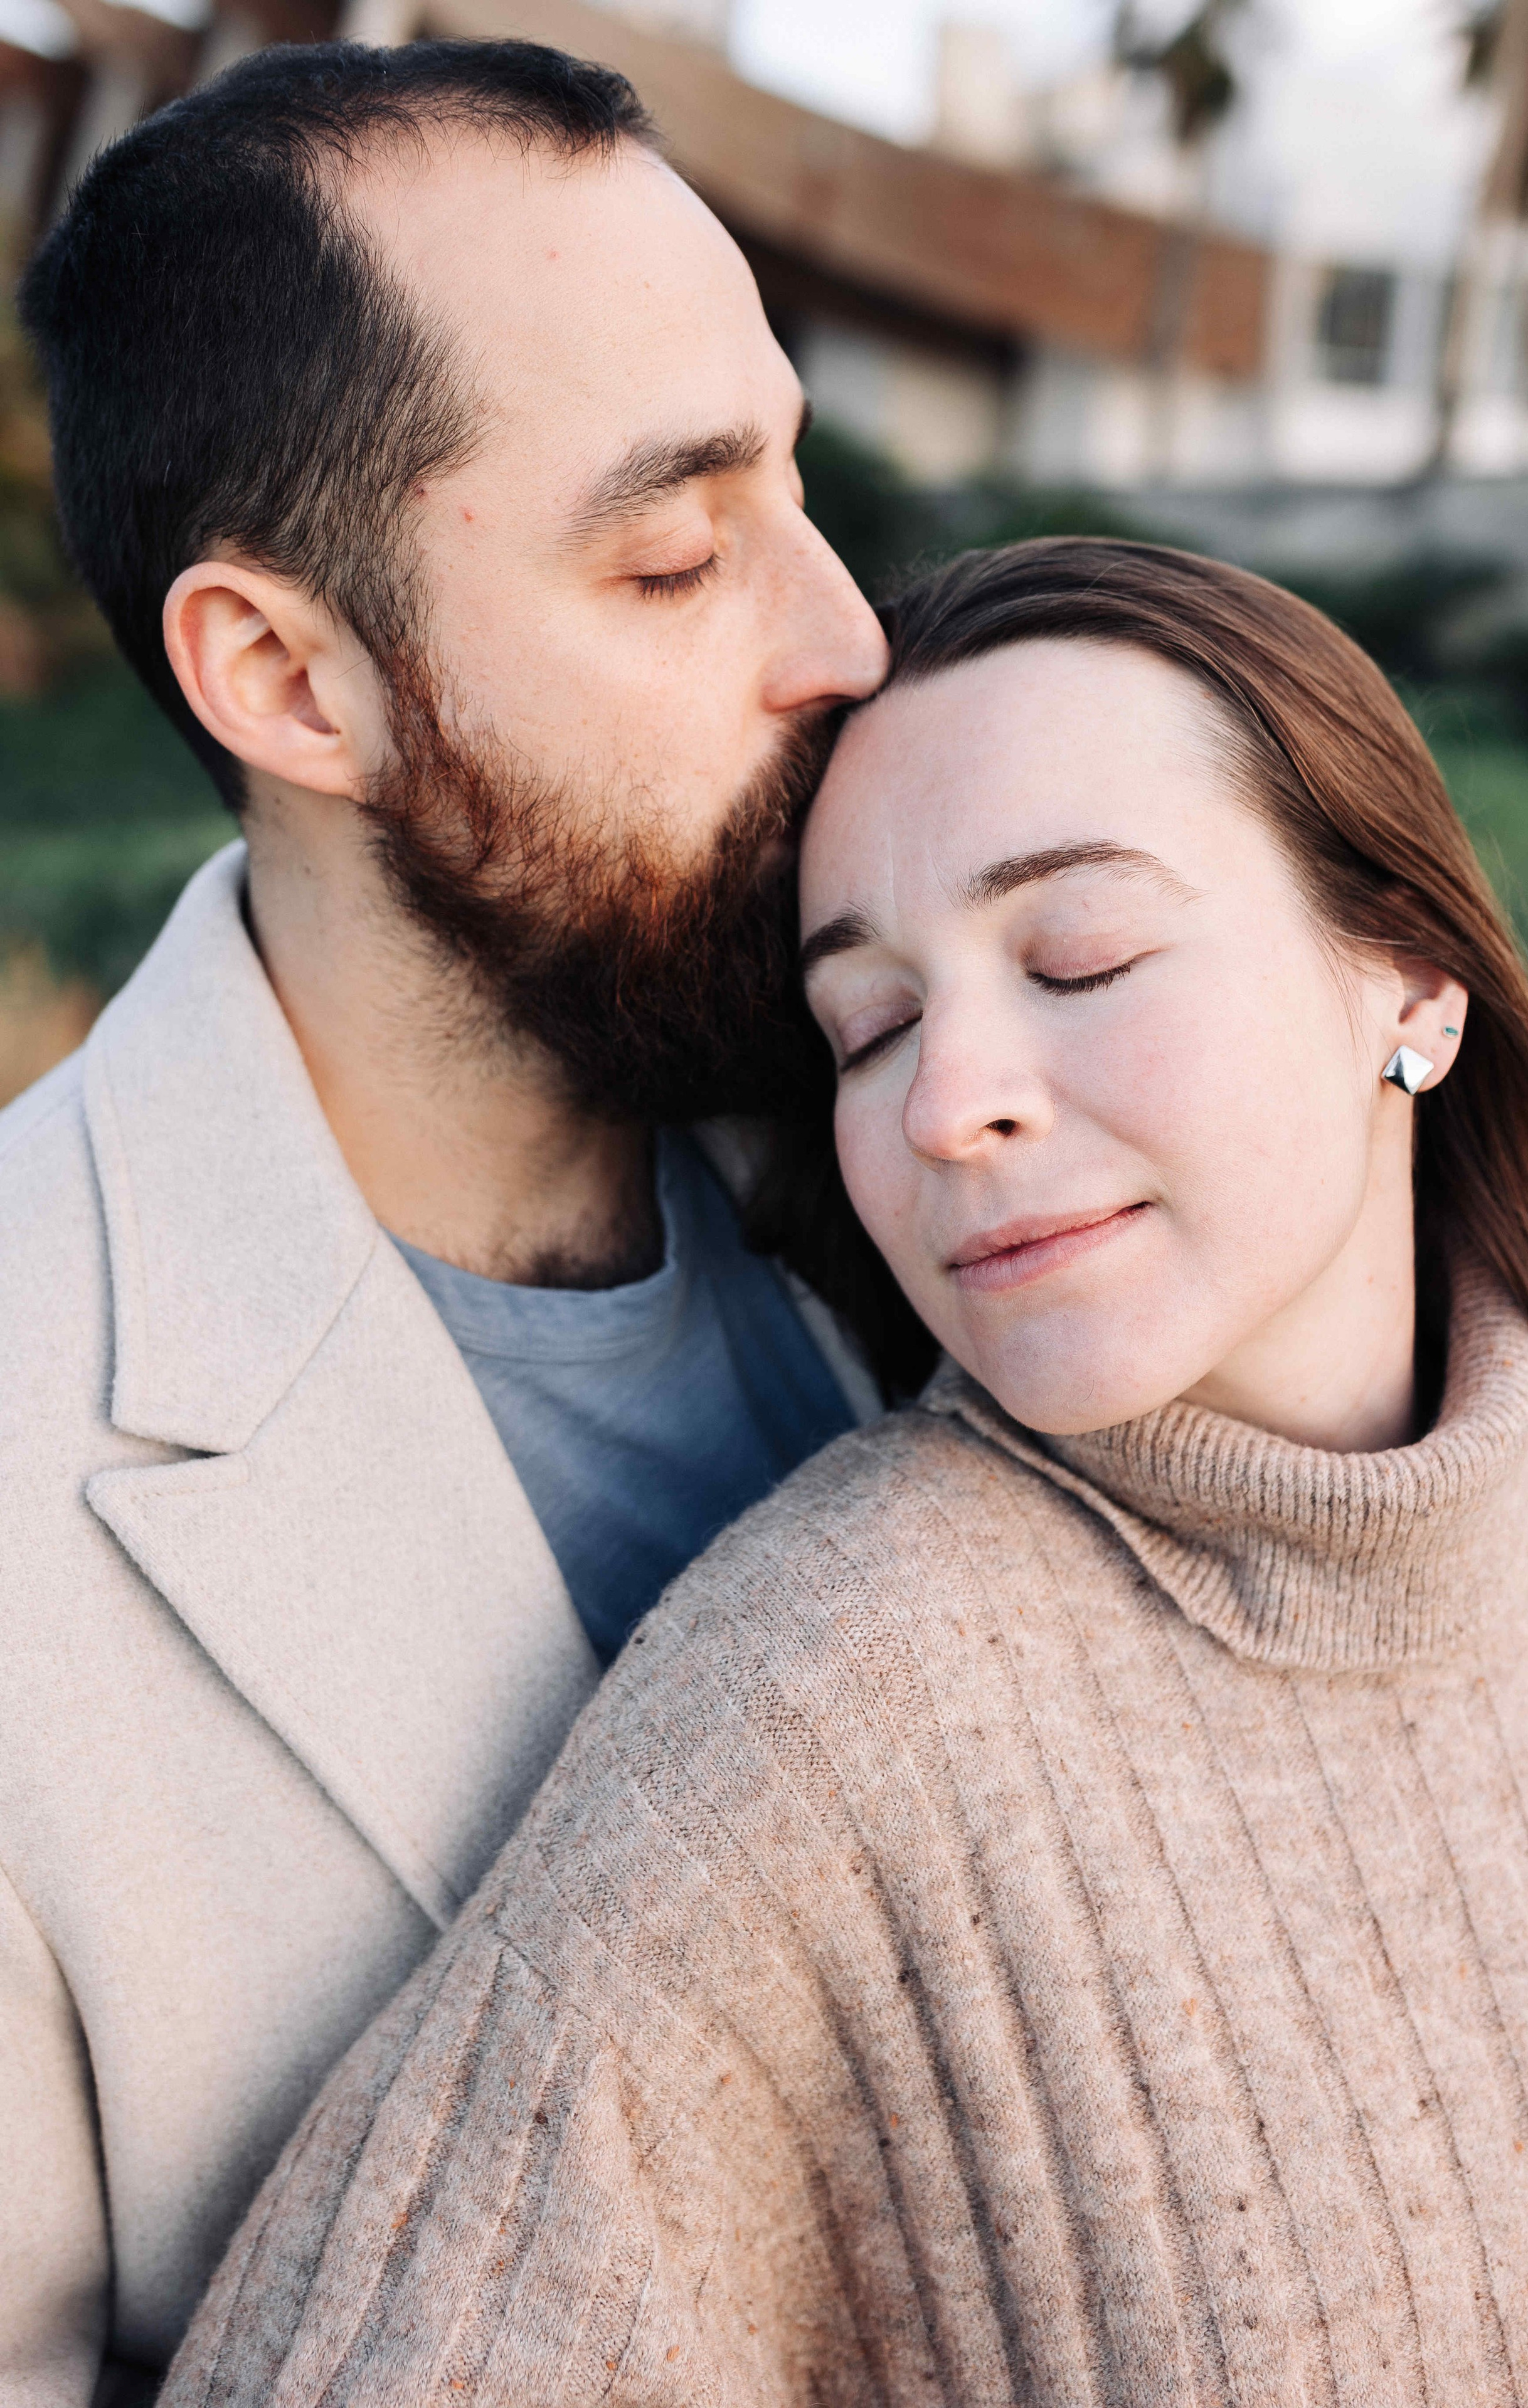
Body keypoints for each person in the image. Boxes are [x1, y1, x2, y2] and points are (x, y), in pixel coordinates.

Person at [162, 538, 1528, 2408]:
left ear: (1410, 981)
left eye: (1077, 954)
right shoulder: (838, 1688)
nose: (944, 1103)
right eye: (873, 1026)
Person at [2, 36, 889, 2405]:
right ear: (286, 676)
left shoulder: (946, 1171)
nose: (848, 641)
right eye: (680, 553)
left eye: (796, 489)